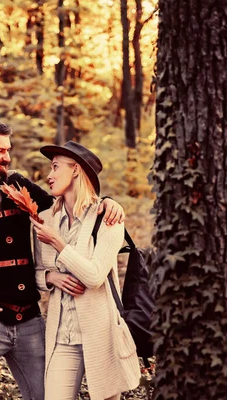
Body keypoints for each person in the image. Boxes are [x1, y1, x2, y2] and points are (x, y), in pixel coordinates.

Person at [0, 117, 125, 400]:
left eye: (8, 149)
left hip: (29, 322)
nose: (7, 158)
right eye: (0, 151)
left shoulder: (16, 184)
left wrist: (107, 202)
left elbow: (64, 204)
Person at [31, 141, 141, 400]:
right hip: (62, 335)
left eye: (56, 167)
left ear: (77, 170)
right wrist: (50, 277)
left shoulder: (108, 218)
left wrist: (57, 243)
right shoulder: (46, 219)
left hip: (101, 335)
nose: (49, 175)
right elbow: (37, 272)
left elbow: (93, 276)